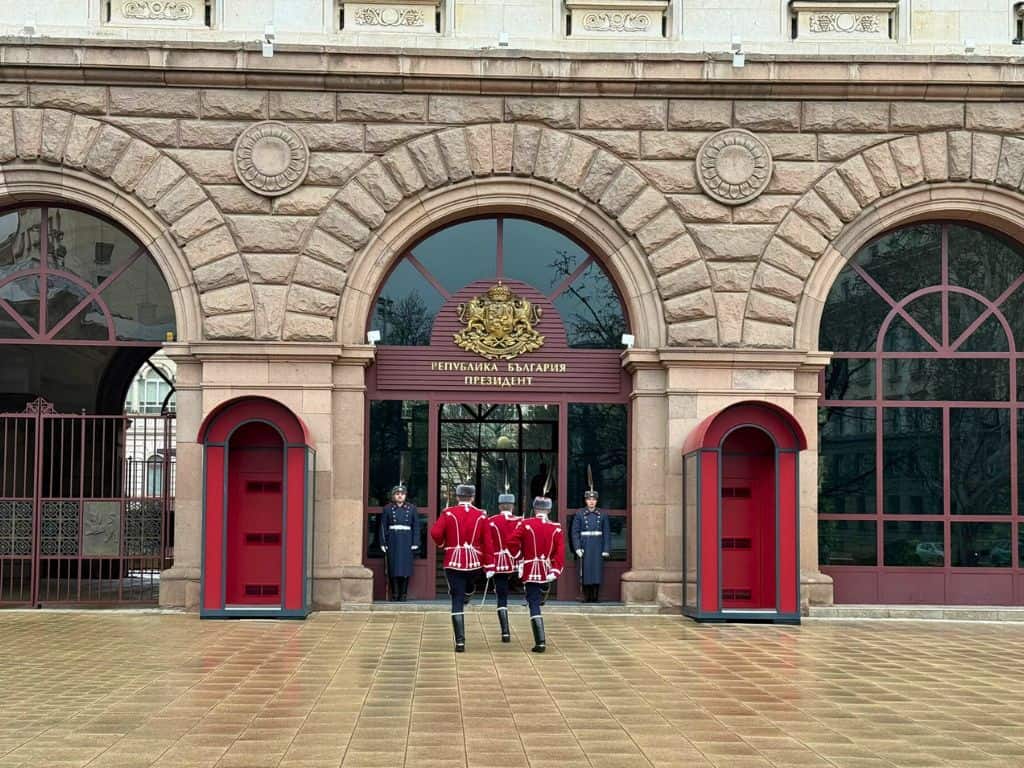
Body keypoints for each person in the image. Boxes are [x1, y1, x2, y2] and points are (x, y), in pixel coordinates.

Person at [430, 483, 487, 652]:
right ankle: (468, 594)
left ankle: (460, 642)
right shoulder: (481, 515)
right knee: (468, 588)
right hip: (474, 562)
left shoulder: (448, 513)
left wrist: (442, 543)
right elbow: (487, 540)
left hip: (453, 561)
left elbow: (435, 532)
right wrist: (488, 562)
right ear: (473, 498)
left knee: (456, 599)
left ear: (457, 497)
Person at [510, 496, 564, 653]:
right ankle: (540, 640)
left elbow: (511, 541)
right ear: (549, 510)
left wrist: (519, 557)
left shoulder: (526, 524)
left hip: (530, 569)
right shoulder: (556, 528)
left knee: (533, 603)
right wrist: (555, 569)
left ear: (534, 509)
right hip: (546, 569)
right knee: (538, 600)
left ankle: (540, 642)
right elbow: (559, 552)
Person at [483, 492, 523, 642]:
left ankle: (505, 632)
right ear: (512, 507)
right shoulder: (520, 521)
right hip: (517, 561)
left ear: (500, 506)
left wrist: (488, 565)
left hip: (499, 562)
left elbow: (487, 543)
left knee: (501, 596)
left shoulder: (491, 521)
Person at [378, 484, 420, 602]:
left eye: (402, 494)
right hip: (393, 540)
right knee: (393, 568)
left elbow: (416, 526)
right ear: (393, 496)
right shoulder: (387, 508)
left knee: (405, 568)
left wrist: (415, 542)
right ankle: (395, 594)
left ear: (405, 496)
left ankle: (404, 594)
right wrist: (383, 542)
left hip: (407, 540)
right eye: (397, 494)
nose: (400, 496)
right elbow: (382, 527)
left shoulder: (412, 508)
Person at [571, 488, 611, 603]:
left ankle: (595, 597)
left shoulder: (602, 514)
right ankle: (587, 597)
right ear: (586, 501)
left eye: (594, 499)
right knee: (586, 571)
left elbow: (607, 533)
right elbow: (575, 532)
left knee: (597, 571)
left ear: (597, 501)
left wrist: (606, 549)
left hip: (598, 545)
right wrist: (577, 547)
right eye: (589, 499)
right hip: (585, 544)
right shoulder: (579, 513)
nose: (591, 502)